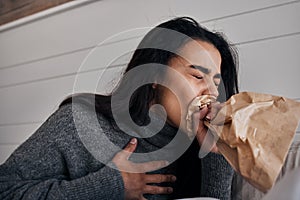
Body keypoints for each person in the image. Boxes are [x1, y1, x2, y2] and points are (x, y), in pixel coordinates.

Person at [0, 17, 239, 200]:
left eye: (217, 82)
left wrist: (216, 157)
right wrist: (110, 186)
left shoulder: (205, 146)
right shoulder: (81, 123)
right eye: (198, 75)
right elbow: (6, 190)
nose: (212, 92)